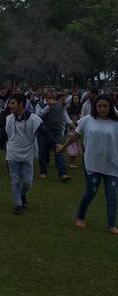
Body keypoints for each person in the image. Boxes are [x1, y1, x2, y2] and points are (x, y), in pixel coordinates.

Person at [58, 94, 118, 234]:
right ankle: (80, 216)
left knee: (112, 195)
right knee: (91, 192)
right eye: (99, 106)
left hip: (112, 165)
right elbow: (76, 135)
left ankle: (111, 224)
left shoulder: (116, 123)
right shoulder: (88, 120)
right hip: (92, 163)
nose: (102, 109)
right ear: (95, 107)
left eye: (105, 106)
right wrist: (64, 146)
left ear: (110, 107)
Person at [0, 94, 56, 214]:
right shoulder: (9, 119)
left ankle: (22, 194)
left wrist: (55, 144)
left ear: (21, 103)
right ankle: (18, 204)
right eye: (10, 103)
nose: (10, 106)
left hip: (27, 154)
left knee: (27, 181)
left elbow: (44, 132)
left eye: (13, 103)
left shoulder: (34, 119)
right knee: (15, 180)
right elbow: (5, 136)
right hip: (12, 154)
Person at [35, 89, 72, 181]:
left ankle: (63, 174)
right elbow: (37, 117)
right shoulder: (39, 104)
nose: (51, 96)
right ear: (46, 95)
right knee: (43, 152)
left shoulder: (60, 105)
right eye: (49, 94)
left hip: (57, 131)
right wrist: (48, 107)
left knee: (59, 151)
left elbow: (63, 116)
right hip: (43, 132)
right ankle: (43, 172)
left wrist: (66, 128)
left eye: (53, 94)